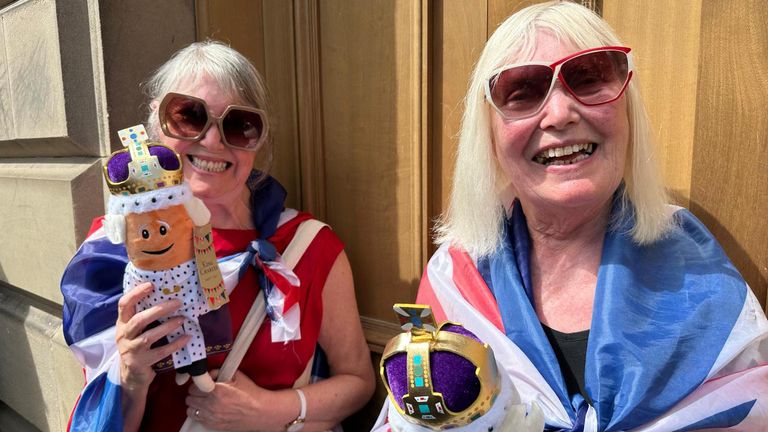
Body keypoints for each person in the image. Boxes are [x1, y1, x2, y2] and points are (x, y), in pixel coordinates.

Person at [375, 1, 768, 431]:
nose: (561, 114)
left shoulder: (699, 270)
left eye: (589, 78)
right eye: (522, 91)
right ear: (487, 133)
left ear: (626, 108)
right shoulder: (456, 277)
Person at [61, 40, 375, 431]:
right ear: (157, 127)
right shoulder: (117, 252)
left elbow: (359, 382)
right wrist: (131, 377)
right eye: (189, 117)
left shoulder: (308, 246)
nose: (212, 141)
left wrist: (267, 410)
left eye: (239, 125)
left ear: (259, 142)